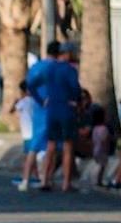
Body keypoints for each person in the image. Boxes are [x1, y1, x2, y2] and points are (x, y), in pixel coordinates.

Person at [26, 41, 81, 192]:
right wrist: (75, 101)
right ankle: (66, 183)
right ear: (67, 54)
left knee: (51, 146)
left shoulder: (49, 69)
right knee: (67, 146)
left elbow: (31, 85)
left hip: (52, 110)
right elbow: (76, 89)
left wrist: (41, 100)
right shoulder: (70, 70)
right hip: (67, 109)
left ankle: (45, 179)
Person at [10, 80, 44, 192]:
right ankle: (35, 176)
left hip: (27, 133)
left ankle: (28, 176)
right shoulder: (36, 101)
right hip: (32, 132)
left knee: (28, 156)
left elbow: (11, 111)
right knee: (31, 156)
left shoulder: (24, 101)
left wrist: (15, 102)